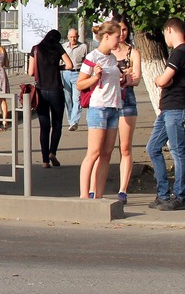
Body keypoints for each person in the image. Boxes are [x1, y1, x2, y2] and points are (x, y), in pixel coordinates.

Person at [77, 20, 123, 199]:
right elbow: (80, 84)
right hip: (98, 108)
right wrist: (96, 77)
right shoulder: (93, 57)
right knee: (94, 152)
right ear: (107, 36)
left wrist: (123, 80)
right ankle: (83, 196)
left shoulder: (112, 58)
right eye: (117, 37)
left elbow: (113, 81)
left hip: (114, 108)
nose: (119, 41)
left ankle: (99, 195)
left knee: (106, 154)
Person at [145, 17, 185, 211]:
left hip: (176, 109)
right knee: (152, 147)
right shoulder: (177, 53)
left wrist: (158, 79)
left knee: (178, 152)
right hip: (167, 109)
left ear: (170, 29)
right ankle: (163, 194)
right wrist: (163, 80)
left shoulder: (179, 52)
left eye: (164, 33)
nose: (165, 38)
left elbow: (163, 80)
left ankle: (180, 195)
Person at [102, 20, 142, 204]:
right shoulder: (106, 53)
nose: (122, 33)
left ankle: (123, 190)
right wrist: (123, 76)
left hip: (126, 101)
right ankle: (95, 188)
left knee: (125, 147)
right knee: (104, 149)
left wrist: (125, 78)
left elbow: (136, 79)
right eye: (119, 30)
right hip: (108, 101)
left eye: (125, 29)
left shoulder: (132, 52)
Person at [27, 29, 73, 168]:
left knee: (44, 126)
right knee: (57, 124)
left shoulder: (35, 49)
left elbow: (30, 72)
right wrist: (57, 68)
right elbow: (70, 65)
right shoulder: (58, 47)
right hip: (56, 91)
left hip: (41, 91)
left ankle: (45, 160)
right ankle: (52, 152)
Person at [62, 28, 88, 130]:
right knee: (68, 100)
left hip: (78, 73)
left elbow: (86, 61)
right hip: (65, 74)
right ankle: (70, 120)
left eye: (75, 37)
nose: (73, 39)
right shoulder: (63, 47)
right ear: (68, 37)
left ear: (78, 37)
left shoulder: (83, 47)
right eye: (71, 37)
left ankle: (74, 122)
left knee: (77, 99)